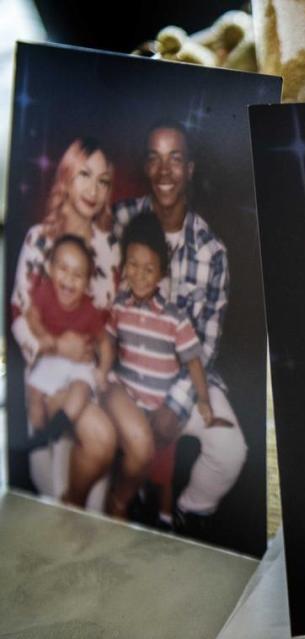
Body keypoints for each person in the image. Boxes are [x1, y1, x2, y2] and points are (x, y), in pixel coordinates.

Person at [112, 120, 246, 537]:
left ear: (190, 168)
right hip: (121, 374)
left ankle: (187, 515)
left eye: (175, 158)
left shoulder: (211, 250)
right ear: (146, 166)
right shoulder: (119, 221)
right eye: (154, 157)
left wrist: (175, 404)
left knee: (230, 449)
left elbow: (204, 342)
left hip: (183, 381)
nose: (164, 170)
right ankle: (113, 505)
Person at [10, 137, 126, 507]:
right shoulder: (39, 239)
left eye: (103, 180)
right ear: (66, 176)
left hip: (85, 378)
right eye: (84, 175)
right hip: (42, 375)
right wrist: (57, 347)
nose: (93, 189)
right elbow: (18, 313)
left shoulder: (110, 249)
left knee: (92, 504)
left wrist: (98, 364)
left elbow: (109, 322)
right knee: (55, 493)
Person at [103, 213, 215, 520]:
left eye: (148, 268)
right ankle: (124, 495)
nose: (139, 275)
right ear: (124, 264)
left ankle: (164, 518)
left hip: (159, 409)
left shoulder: (173, 317)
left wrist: (204, 400)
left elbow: (193, 360)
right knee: (129, 454)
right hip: (127, 401)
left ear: (161, 273)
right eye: (133, 265)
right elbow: (109, 346)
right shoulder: (119, 308)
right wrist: (103, 376)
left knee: (162, 470)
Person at [24, 236, 112, 445]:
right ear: (51, 269)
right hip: (53, 359)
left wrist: (103, 371)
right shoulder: (45, 292)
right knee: (34, 392)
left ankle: (58, 427)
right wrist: (43, 336)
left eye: (78, 275)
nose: (69, 279)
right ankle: (39, 438)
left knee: (81, 389)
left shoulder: (89, 311)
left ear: (87, 282)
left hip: (80, 364)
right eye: (63, 269)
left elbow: (104, 343)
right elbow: (32, 315)